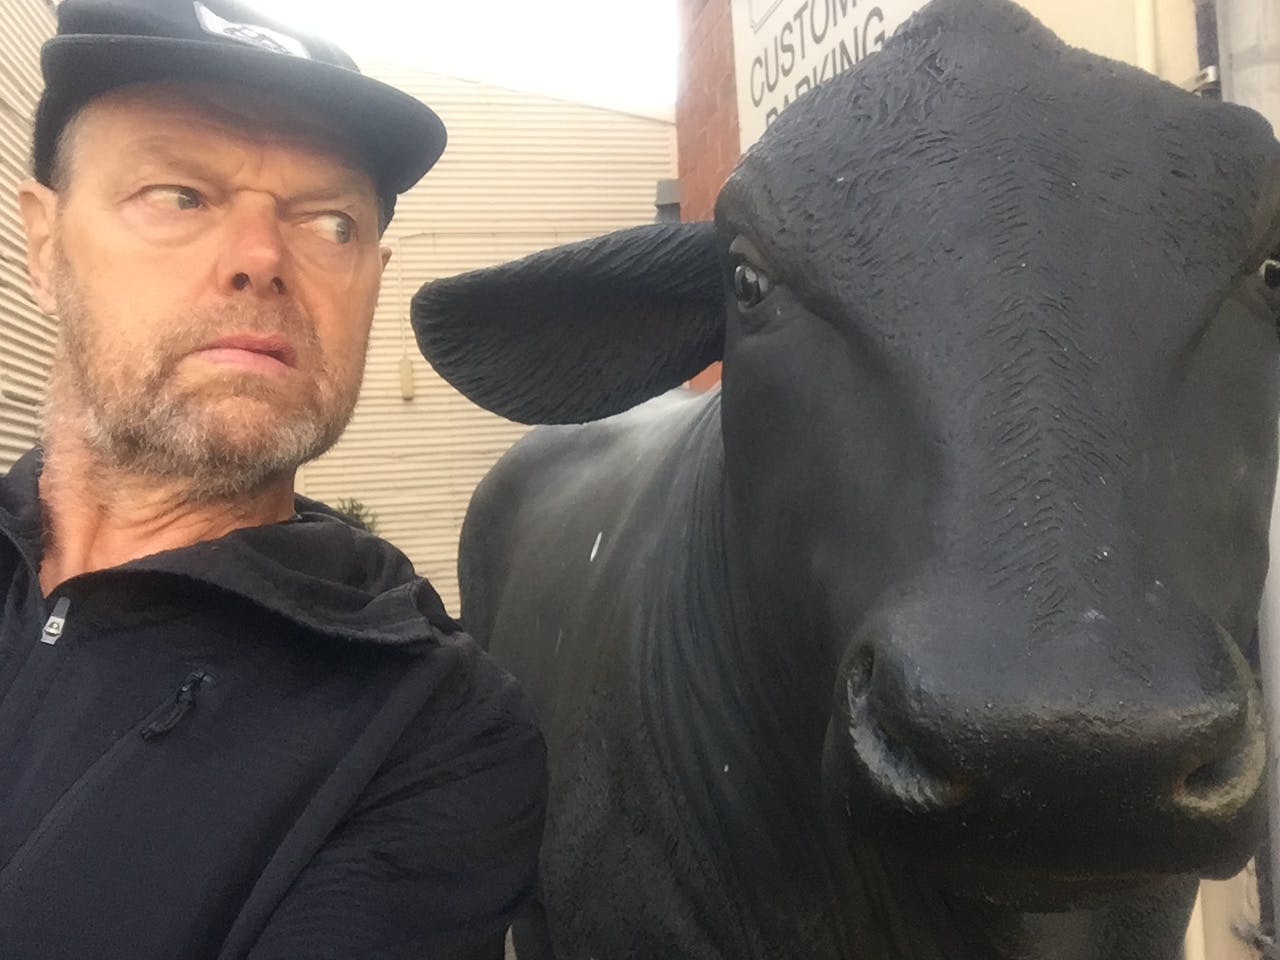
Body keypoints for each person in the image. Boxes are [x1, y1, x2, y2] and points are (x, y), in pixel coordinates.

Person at [0, 1, 546, 957]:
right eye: (179, 195)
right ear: (44, 246)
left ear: (374, 275)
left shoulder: (431, 731)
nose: (261, 260)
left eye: (329, 221)